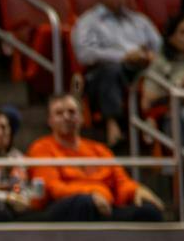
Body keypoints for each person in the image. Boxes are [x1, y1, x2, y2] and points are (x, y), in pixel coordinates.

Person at [27, 95, 164, 222]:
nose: (66, 117)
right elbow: (53, 188)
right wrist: (91, 194)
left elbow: (121, 181)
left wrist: (136, 191)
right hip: (66, 208)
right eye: (59, 113)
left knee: (149, 210)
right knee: (84, 204)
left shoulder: (99, 149)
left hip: (105, 205)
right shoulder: (41, 148)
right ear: (50, 121)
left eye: (72, 112)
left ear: (81, 118)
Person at [71, 0, 161, 143]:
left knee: (160, 70)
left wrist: (149, 56)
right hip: (101, 75)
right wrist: (124, 56)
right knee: (110, 70)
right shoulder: (87, 22)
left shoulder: (140, 20)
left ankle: (152, 120)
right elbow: (85, 54)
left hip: (141, 70)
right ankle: (112, 125)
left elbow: (160, 47)